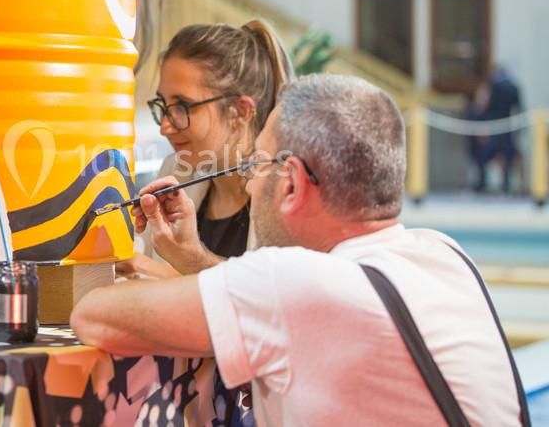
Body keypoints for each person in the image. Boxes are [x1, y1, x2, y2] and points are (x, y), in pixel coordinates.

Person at [71, 74, 528, 426]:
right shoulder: (442, 253)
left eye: (257, 164)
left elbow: (93, 315)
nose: (250, 185)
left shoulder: (293, 282)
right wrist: (192, 261)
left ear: (290, 182)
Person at [119, 20, 295, 279]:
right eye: (163, 105)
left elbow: (275, 299)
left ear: (241, 111)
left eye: (183, 107)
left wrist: (178, 268)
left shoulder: (287, 194)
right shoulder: (176, 171)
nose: (165, 127)